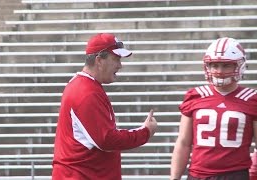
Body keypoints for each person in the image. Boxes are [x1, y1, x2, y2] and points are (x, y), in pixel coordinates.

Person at [51, 33, 158, 179]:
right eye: (116, 59)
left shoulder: (84, 86)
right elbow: (106, 140)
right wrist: (144, 132)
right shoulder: (86, 92)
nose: (120, 65)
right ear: (99, 60)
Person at [170, 37, 257, 180]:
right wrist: (174, 177)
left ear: (239, 66)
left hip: (235, 175)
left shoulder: (251, 99)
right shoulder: (195, 95)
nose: (219, 71)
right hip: (197, 175)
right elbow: (184, 142)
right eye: (214, 65)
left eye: (226, 65)